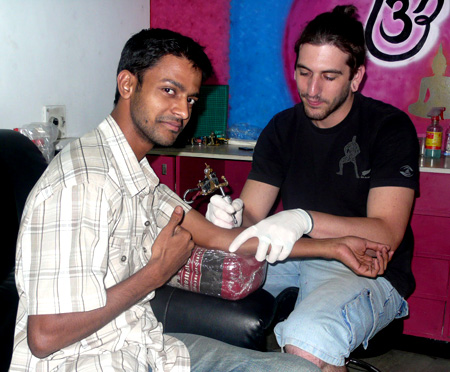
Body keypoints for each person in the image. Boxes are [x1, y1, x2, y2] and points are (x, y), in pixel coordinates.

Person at [10, 27, 389, 372]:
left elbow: (228, 240)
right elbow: (45, 337)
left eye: (191, 99)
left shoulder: (136, 175)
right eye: (169, 91)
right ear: (127, 84)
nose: (183, 112)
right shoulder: (84, 183)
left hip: (146, 348)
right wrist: (153, 276)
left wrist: (333, 246)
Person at [206, 5, 419, 372]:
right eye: (304, 73)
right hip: (295, 255)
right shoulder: (282, 128)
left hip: (366, 267)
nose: (312, 90)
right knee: (206, 297)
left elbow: (386, 231)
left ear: (356, 78)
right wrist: (232, 216)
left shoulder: (388, 128)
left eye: (329, 76)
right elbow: (254, 215)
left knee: (309, 342)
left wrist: (303, 219)